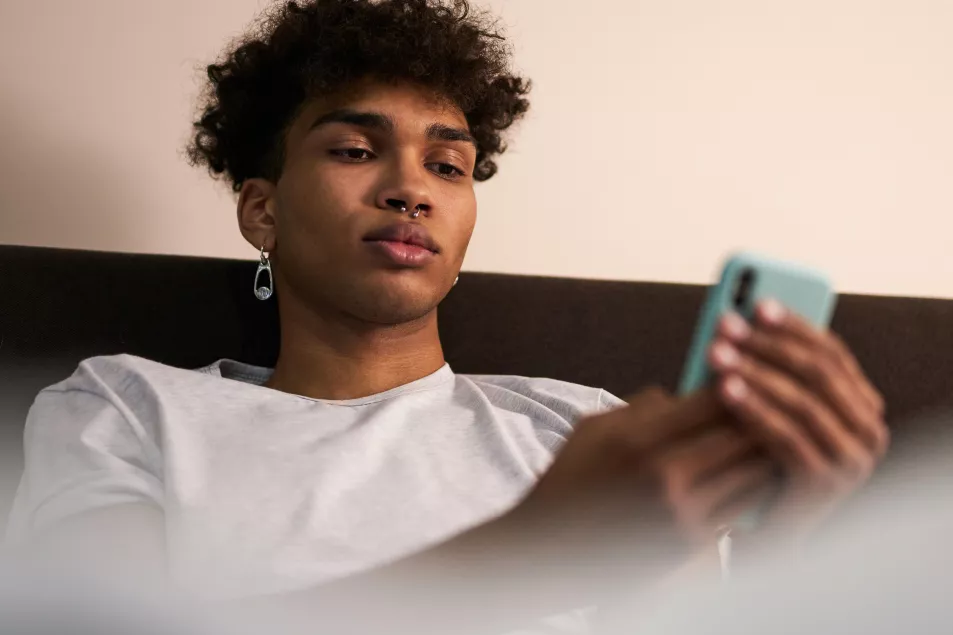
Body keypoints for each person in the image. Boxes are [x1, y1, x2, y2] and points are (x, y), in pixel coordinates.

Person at [6, 1, 889, 633]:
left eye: (449, 166)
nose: (409, 189)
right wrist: (524, 549)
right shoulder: (124, 408)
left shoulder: (583, 426)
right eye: (355, 150)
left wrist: (794, 540)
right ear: (261, 212)